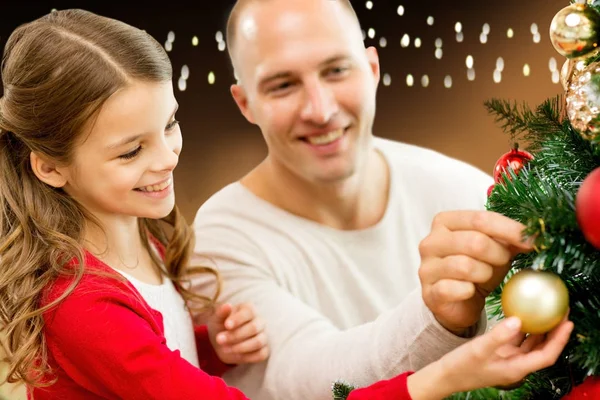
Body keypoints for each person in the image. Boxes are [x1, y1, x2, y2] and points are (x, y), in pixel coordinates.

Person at [189, 0, 564, 399]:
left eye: (336, 70)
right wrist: (438, 318)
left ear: (371, 70)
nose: (320, 110)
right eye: (282, 85)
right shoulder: (220, 237)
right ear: (245, 103)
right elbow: (314, 384)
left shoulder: (460, 189)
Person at [0, 9, 270, 399]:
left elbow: (143, 370)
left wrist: (210, 348)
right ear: (51, 168)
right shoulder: (82, 304)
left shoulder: (142, 239)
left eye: (170, 124)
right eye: (131, 152)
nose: (168, 158)